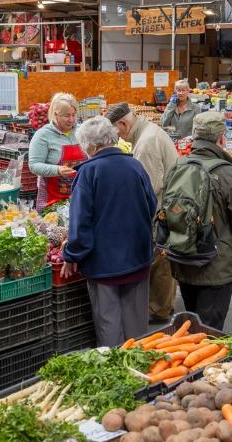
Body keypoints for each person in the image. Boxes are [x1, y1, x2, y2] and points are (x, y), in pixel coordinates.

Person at [61, 117, 157, 347]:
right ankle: (141, 371)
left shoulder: (88, 172)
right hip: (138, 258)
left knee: (109, 325)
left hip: (104, 266)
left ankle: (117, 374)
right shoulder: (135, 165)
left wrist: (72, 256)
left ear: (90, 146)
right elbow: (151, 205)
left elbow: (80, 223)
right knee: (137, 326)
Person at [167, 112, 232, 330]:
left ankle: (188, 361)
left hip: (183, 257)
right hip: (216, 264)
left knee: (190, 323)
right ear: (221, 139)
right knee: (210, 330)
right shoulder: (229, 174)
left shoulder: (178, 166)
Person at [105, 102, 178, 323]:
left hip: (160, 213)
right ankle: (164, 306)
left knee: (159, 262)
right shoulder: (149, 133)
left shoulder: (146, 143)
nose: (117, 138)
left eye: (116, 132)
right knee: (162, 261)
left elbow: (150, 187)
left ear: (123, 123)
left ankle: (158, 311)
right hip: (165, 209)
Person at [28, 93, 85, 212]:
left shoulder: (82, 132)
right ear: (55, 114)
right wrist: (57, 170)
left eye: (73, 115)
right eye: (66, 116)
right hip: (53, 201)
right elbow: (34, 165)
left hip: (81, 197)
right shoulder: (43, 135)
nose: (71, 120)